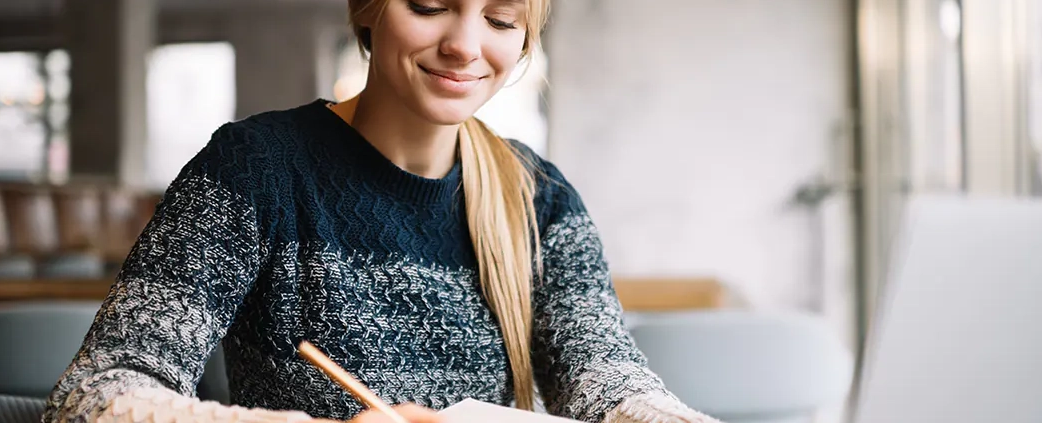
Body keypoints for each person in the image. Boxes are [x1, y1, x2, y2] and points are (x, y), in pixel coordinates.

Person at [44, 0, 720, 422]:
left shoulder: (538, 195)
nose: (464, 44)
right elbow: (93, 396)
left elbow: (608, 380)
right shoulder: (255, 169)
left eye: (500, 19)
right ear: (365, 7)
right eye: (429, 5)